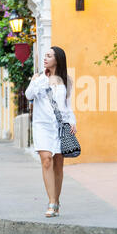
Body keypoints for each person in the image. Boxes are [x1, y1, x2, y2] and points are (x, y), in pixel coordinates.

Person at [24, 46, 77, 218]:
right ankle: (51, 201)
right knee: (47, 160)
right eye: (45, 56)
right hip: (42, 126)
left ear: (57, 59)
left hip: (60, 126)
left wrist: (72, 122)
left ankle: (56, 201)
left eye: (49, 56)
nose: (45, 58)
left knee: (58, 164)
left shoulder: (66, 81)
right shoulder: (39, 78)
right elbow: (29, 95)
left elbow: (67, 106)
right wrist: (34, 81)